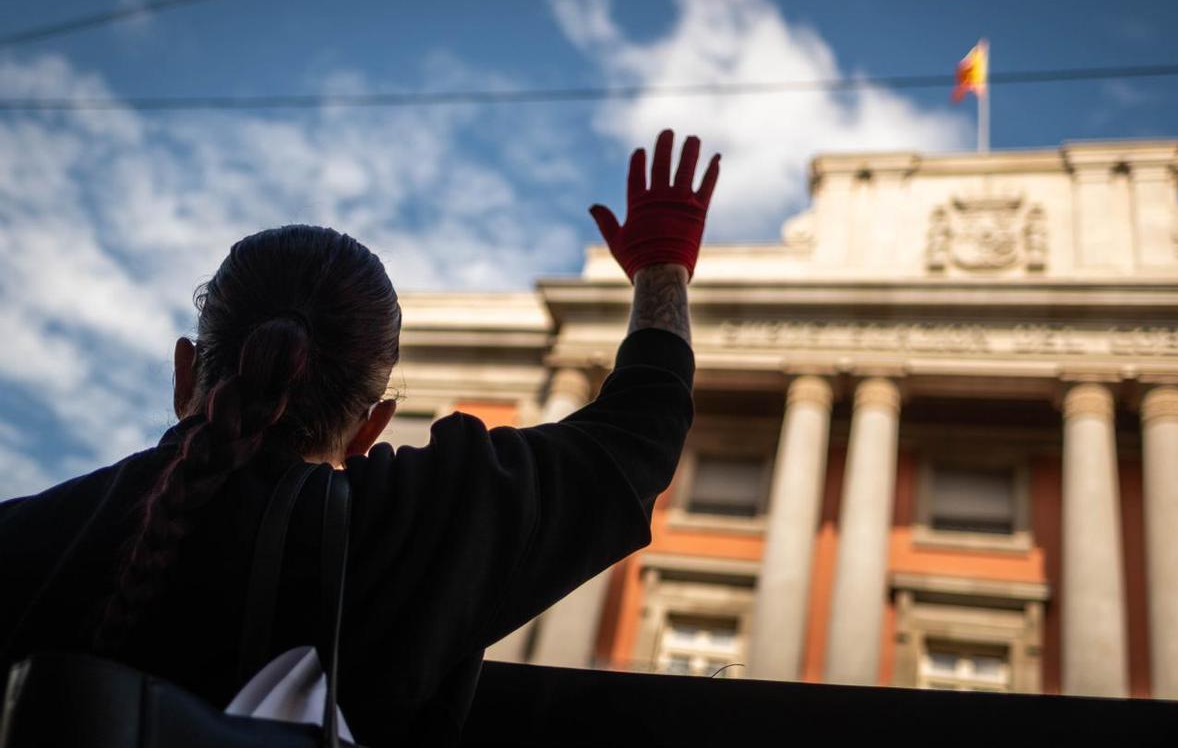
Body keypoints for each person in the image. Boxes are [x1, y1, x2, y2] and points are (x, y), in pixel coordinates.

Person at [0, 129, 719, 746]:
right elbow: (639, 433)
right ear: (371, 424)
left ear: (186, 371)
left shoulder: (27, 534)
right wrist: (662, 268)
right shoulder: (417, 525)